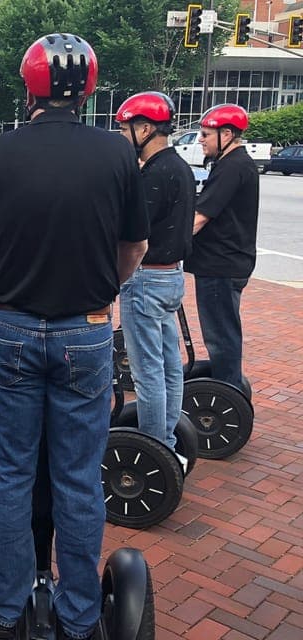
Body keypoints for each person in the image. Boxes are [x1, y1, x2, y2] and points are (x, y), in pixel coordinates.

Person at [0, 34, 149, 640]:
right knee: (78, 475)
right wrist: (97, 292)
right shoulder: (118, 155)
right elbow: (134, 248)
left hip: (10, 325)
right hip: (87, 331)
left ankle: (7, 611)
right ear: (87, 88)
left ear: (29, 87)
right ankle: (78, 614)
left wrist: (13, 287)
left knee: (10, 472)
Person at [115, 92, 195, 453]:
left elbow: (134, 234)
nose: (121, 135)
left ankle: (154, 448)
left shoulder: (155, 173)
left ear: (145, 128)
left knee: (147, 374)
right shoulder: (179, 166)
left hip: (146, 280)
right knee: (169, 367)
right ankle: (169, 443)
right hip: (171, 277)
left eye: (124, 128)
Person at [184, 104, 260, 389]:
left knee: (221, 336)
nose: (200, 139)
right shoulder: (231, 164)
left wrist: (166, 245)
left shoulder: (233, 166)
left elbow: (200, 218)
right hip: (226, 262)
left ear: (226, 134)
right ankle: (230, 385)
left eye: (206, 134)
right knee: (224, 333)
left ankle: (228, 391)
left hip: (221, 265)